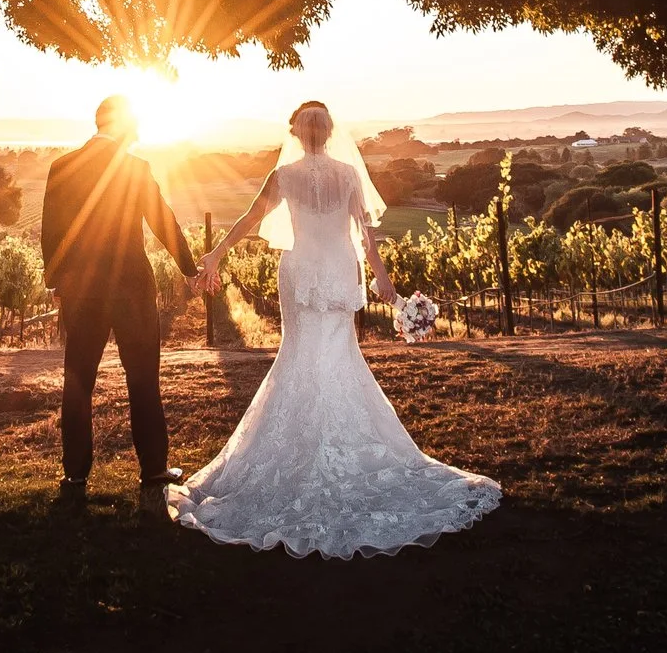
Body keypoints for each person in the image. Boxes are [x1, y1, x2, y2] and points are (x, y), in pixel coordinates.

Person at [172, 99, 500, 557]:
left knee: (300, 352)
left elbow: (248, 220)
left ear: (295, 133)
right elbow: (365, 233)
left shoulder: (282, 176)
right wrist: (382, 275)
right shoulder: (348, 173)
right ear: (329, 133)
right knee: (338, 353)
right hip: (338, 267)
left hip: (301, 269)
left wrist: (216, 255)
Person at [41, 95, 201, 516]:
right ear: (125, 127)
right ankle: (152, 475)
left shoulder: (62, 166)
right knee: (144, 381)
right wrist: (189, 269)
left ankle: (75, 477)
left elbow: (51, 231)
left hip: (82, 292)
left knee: (77, 384)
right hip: (131, 290)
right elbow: (163, 220)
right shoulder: (135, 168)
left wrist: (57, 282)